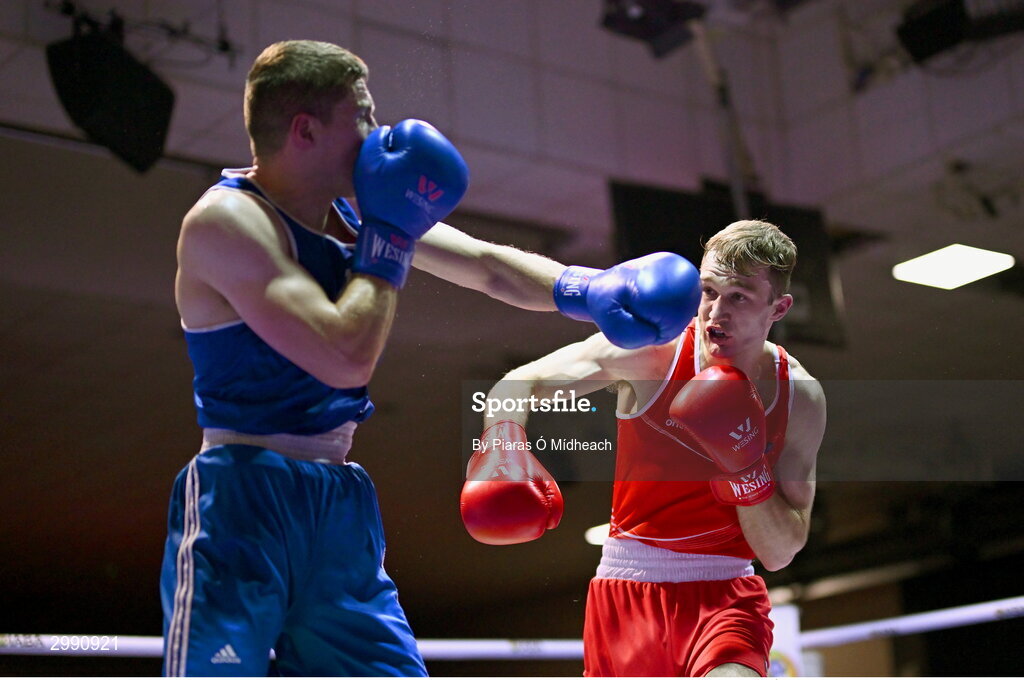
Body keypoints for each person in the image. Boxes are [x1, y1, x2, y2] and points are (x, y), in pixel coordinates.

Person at [161, 39, 701, 677]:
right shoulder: (227, 223)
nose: (377, 134)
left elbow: (487, 265)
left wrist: (587, 290)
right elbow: (345, 357)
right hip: (245, 492)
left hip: (338, 497)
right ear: (304, 130)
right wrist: (389, 237)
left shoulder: (352, 207)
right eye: (360, 116)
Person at [461, 219, 827, 677]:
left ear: (778, 308)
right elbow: (520, 382)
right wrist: (502, 439)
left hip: (726, 597)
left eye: (739, 297)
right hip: (627, 592)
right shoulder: (653, 353)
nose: (715, 313)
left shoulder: (799, 396)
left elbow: (780, 551)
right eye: (709, 291)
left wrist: (744, 467)